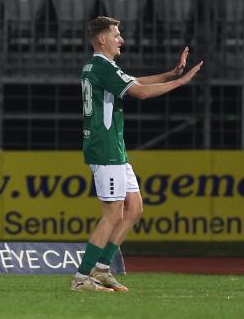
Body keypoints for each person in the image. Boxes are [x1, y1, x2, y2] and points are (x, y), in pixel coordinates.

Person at [73, 17, 202, 291]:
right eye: (117, 35)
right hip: (105, 148)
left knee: (134, 209)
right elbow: (140, 92)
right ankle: (82, 278)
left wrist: (170, 74)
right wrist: (180, 83)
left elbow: (134, 81)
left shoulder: (99, 67)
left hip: (113, 148)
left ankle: (102, 268)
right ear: (102, 40)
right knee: (112, 215)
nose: (122, 40)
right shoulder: (101, 66)